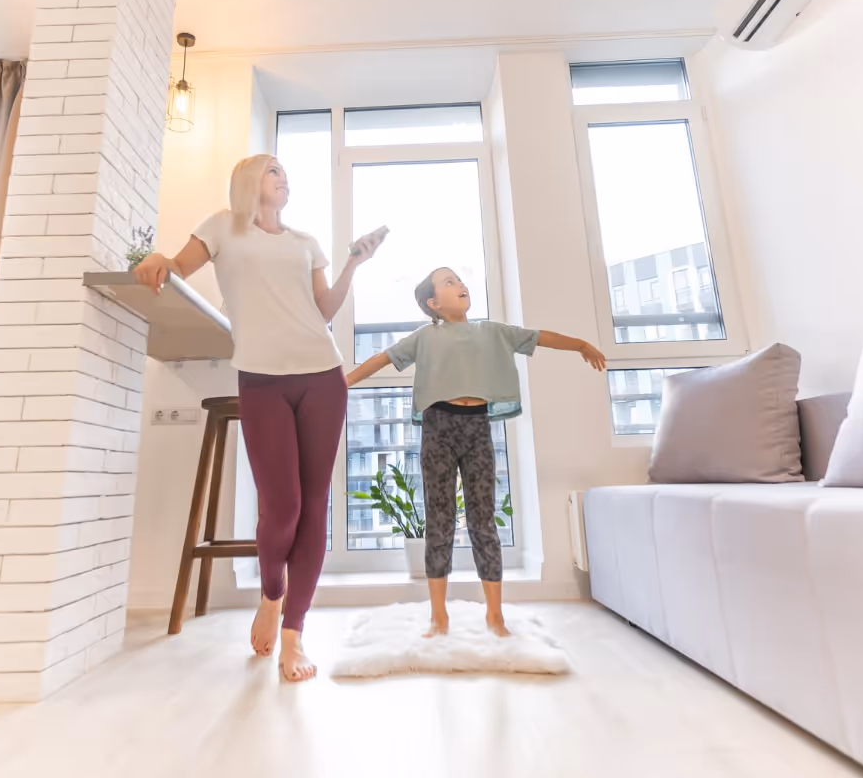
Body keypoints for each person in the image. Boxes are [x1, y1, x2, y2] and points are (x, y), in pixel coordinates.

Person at [133, 154, 385, 681]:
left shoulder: (305, 243)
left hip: (322, 374)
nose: (283, 176)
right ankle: (272, 594)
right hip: (262, 379)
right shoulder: (223, 226)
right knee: (283, 505)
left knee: (313, 506)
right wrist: (160, 257)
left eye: (286, 173)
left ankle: (294, 636)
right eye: (273, 170)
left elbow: (324, 311)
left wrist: (352, 264)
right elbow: (179, 267)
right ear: (249, 180)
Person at [345, 267, 604, 637]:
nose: (460, 285)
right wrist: (346, 381)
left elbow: (539, 336)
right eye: (449, 283)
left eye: (459, 281)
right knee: (440, 520)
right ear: (433, 303)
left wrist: (579, 344)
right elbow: (383, 359)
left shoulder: (492, 330)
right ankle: (438, 616)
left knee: (483, 521)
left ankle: (495, 615)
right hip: (438, 427)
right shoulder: (423, 337)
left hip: (477, 426)